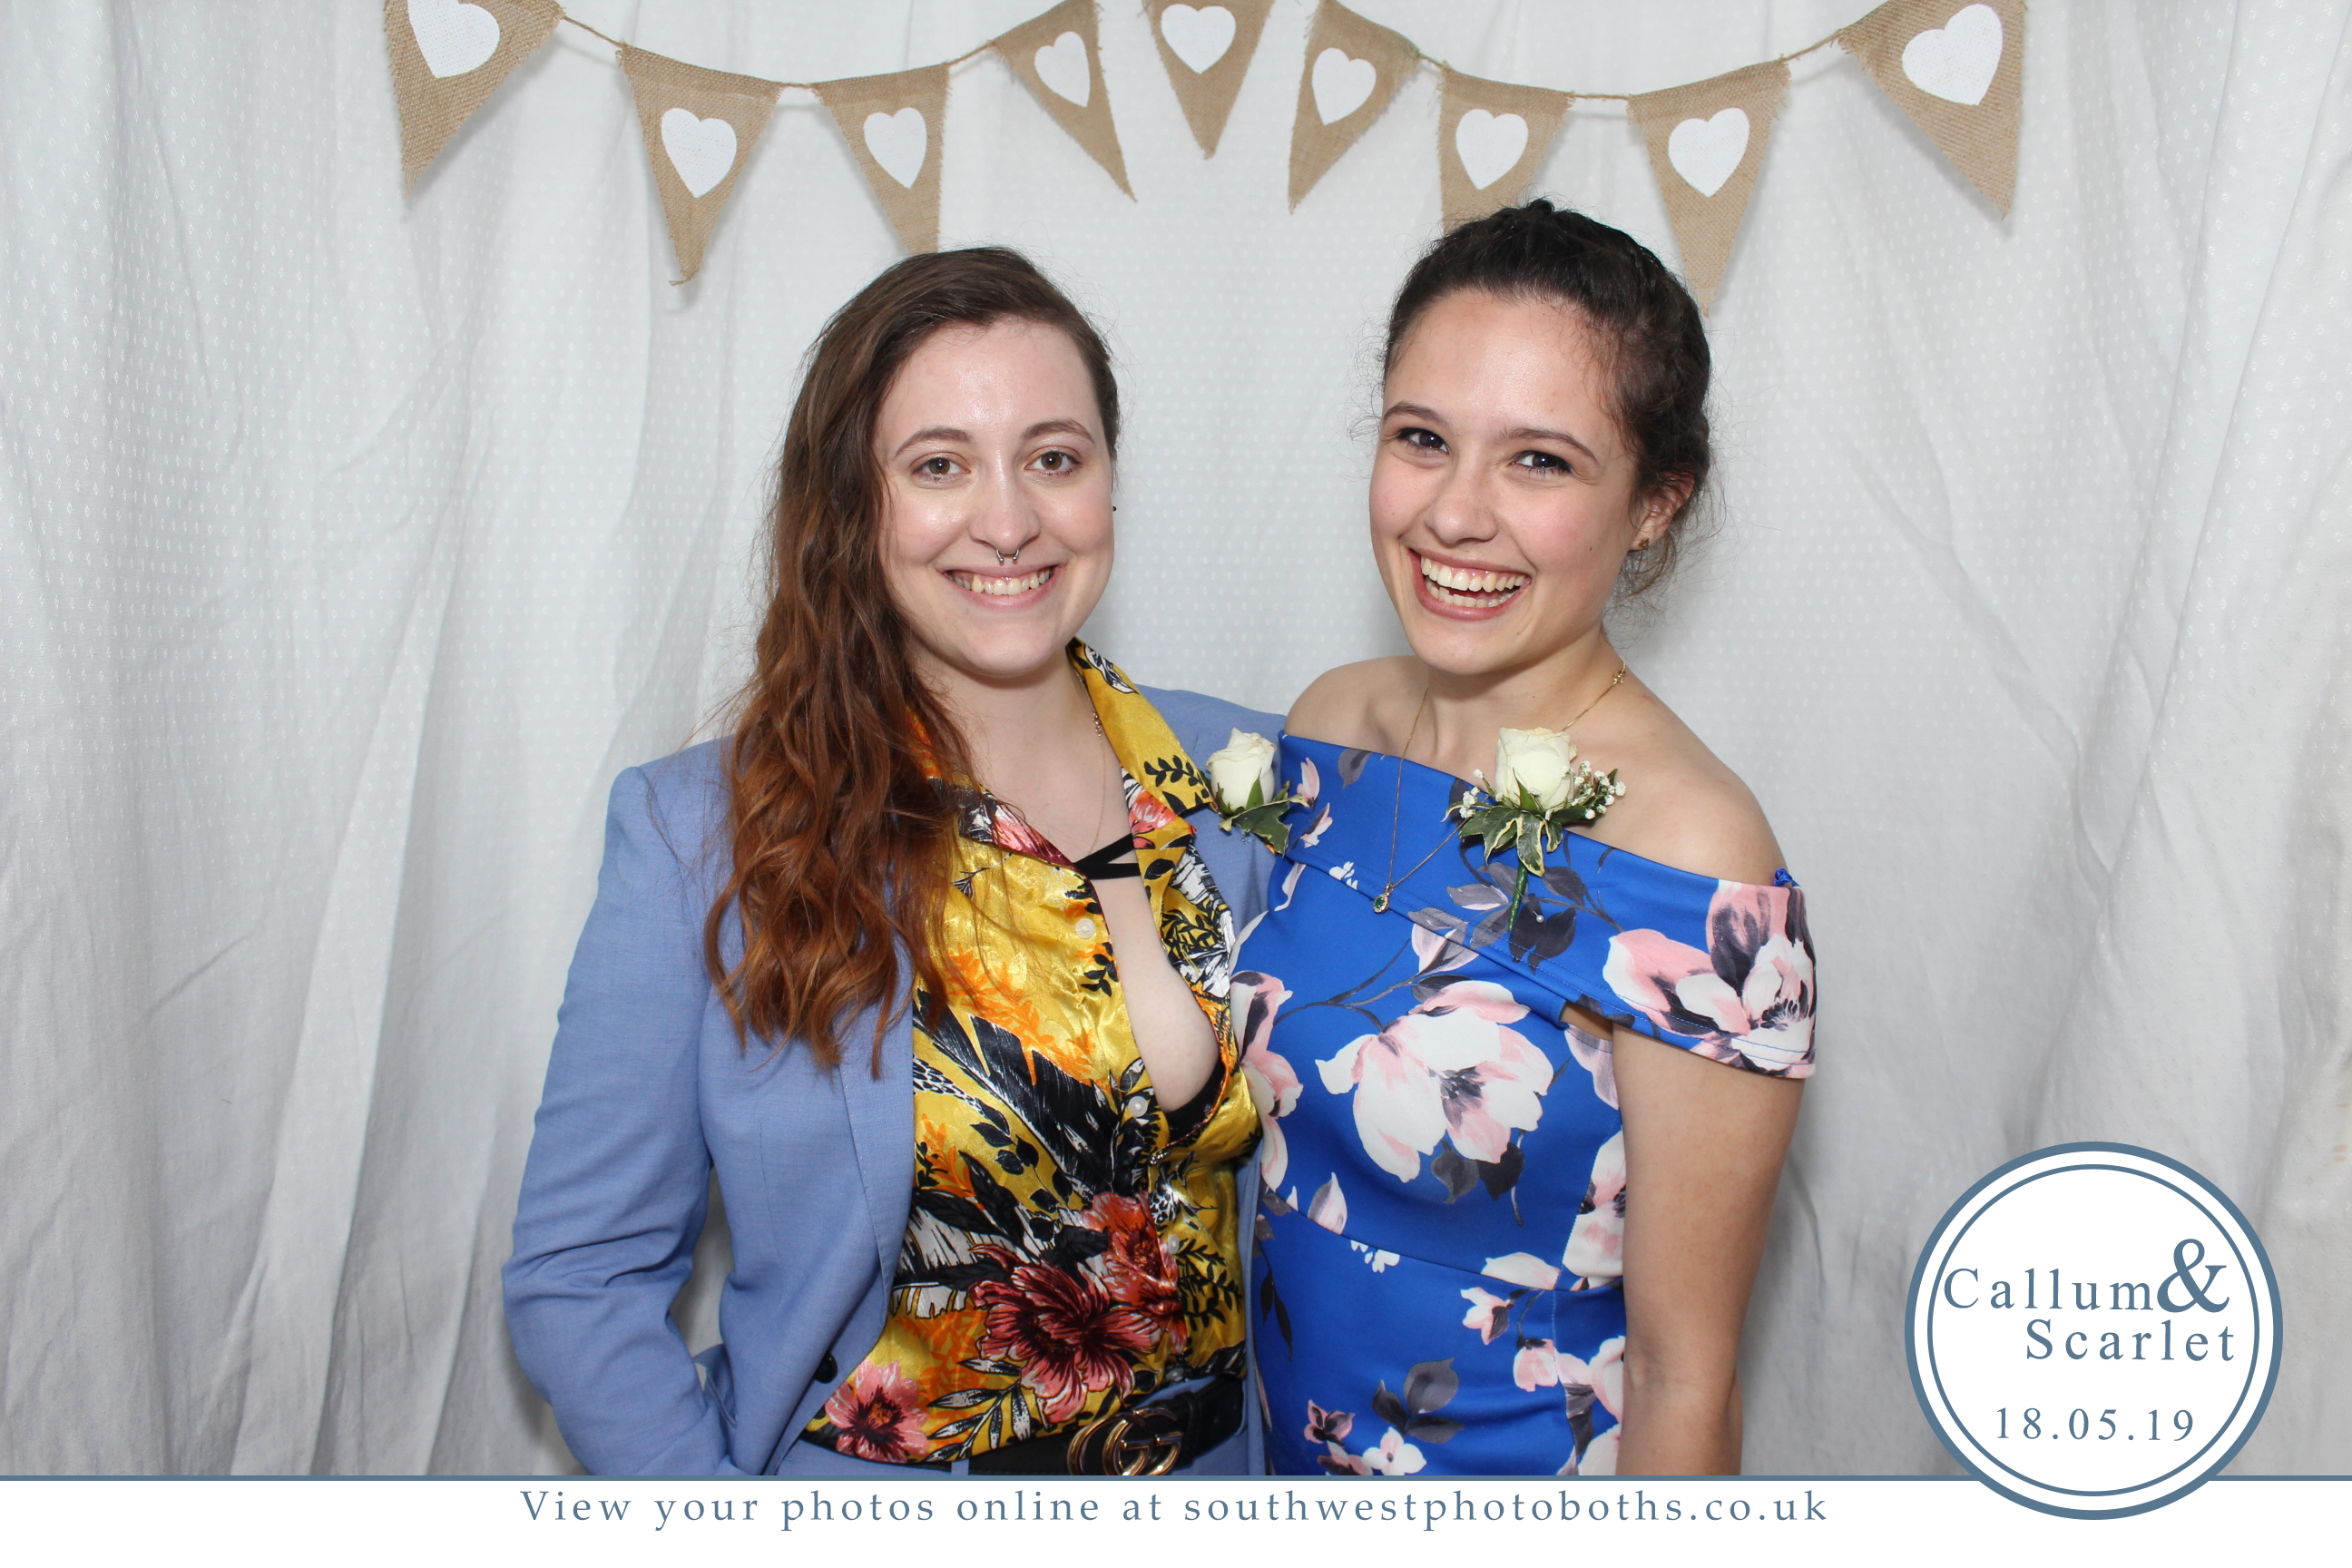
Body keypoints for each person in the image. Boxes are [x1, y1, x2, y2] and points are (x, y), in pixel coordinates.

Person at [504, 248, 1279, 1477]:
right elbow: (579, 1273)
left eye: (1055, 458)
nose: (1011, 518)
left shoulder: (1246, 783)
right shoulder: (699, 836)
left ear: (1109, 488)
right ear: (855, 506)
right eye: (939, 466)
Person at [1238, 201, 1815, 1477]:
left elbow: (1685, 1385)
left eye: (1540, 461)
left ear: (1656, 501)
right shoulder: (1333, 727)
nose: (1454, 514)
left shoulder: (1696, 857)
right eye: (1422, 439)